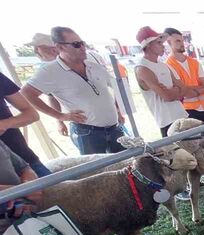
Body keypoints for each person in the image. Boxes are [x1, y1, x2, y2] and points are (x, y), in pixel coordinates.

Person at [22, 26, 127, 154]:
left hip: (115, 129)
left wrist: (118, 108)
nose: (83, 48)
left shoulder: (93, 66)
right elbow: (26, 93)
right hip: (88, 133)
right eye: (76, 44)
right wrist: (60, 117)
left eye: (83, 43)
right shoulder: (49, 71)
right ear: (60, 47)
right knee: (99, 170)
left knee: (126, 167)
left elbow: (116, 85)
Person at [132, 26, 190, 137]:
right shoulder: (142, 68)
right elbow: (166, 96)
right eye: (159, 43)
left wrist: (173, 91)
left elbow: (184, 88)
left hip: (182, 115)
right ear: (148, 45)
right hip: (167, 121)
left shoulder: (163, 66)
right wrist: (176, 90)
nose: (162, 46)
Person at [0, 72, 49, 177]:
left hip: (26, 161)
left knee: (60, 191)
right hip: (4, 176)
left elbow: (32, 114)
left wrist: (5, 124)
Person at [163, 28, 204, 123]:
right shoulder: (168, 65)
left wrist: (191, 90)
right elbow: (183, 91)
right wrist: (202, 89)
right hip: (188, 111)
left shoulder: (194, 62)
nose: (182, 43)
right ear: (168, 42)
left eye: (182, 40)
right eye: (178, 41)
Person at [27, 32, 68, 138]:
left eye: (38, 48)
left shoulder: (53, 68)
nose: (36, 52)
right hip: (79, 119)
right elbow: (51, 97)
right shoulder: (47, 69)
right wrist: (59, 119)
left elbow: (26, 94)